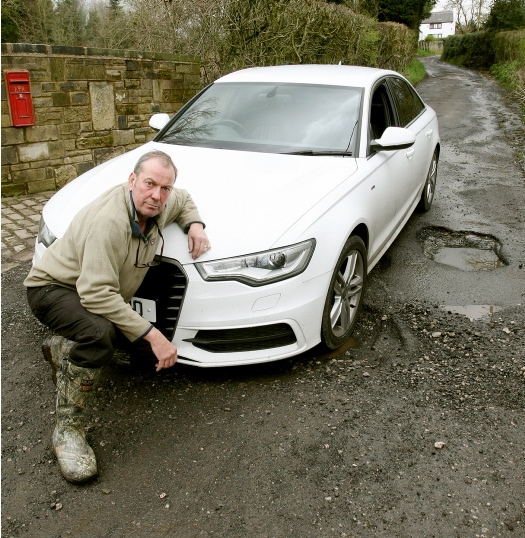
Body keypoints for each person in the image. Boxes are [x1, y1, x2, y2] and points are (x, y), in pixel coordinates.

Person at [24, 150, 210, 484]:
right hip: (53, 288)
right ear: (132, 180)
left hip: (91, 291)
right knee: (99, 335)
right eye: (149, 184)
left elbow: (184, 200)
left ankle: (63, 350)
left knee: (146, 362)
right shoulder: (109, 222)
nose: (156, 195)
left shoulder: (160, 204)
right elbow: (96, 293)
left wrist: (195, 225)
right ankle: (67, 430)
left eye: (164, 188)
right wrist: (154, 335)